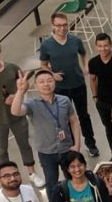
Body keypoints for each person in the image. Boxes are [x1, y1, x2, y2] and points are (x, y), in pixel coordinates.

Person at [0, 37, 42, 187]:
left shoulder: (12, 68)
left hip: (17, 115)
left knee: (24, 144)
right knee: (1, 150)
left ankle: (32, 173)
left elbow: (24, 85)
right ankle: (6, 178)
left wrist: (17, 95)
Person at [10, 69, 81, 191]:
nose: (46, 84)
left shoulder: (65, 100)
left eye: (49, 81)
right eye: (41, 82)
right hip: (46, 153)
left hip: (67, 149)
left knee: (74, 180)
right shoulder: (31, 104)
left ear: (54, 82)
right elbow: (15, 111)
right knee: (51, 184)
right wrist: (20, 91)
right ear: (36, 86)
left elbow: (74, 122)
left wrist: (77, 145)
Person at [39, 11, 98, 157]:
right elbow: (43, 65)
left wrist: (86, 66)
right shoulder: (46, 45)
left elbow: (84, 54)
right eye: (58, 25)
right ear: (53, 26)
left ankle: (90, 144)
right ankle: (72, 145)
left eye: (65, 25)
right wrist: (52, 75)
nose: (62, 28)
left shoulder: (75, 40)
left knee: (84, 116)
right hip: (60, 89)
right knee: (65, 118)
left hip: (78, 84)